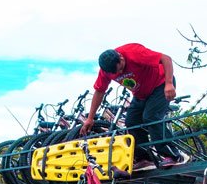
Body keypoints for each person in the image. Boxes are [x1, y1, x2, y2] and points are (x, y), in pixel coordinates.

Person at [80, 43, 189, 171]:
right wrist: (90, 118)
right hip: (141, 94)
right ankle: (145, 158)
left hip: (160, 84)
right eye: (117, 73)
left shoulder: (134, 52)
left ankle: (174, 156)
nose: (120, 73)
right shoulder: (105, 71)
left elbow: (166, 59)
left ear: (120, 57)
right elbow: (99, 91)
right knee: (131, 122)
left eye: (120, 69)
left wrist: (169, 84)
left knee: (151, 117)